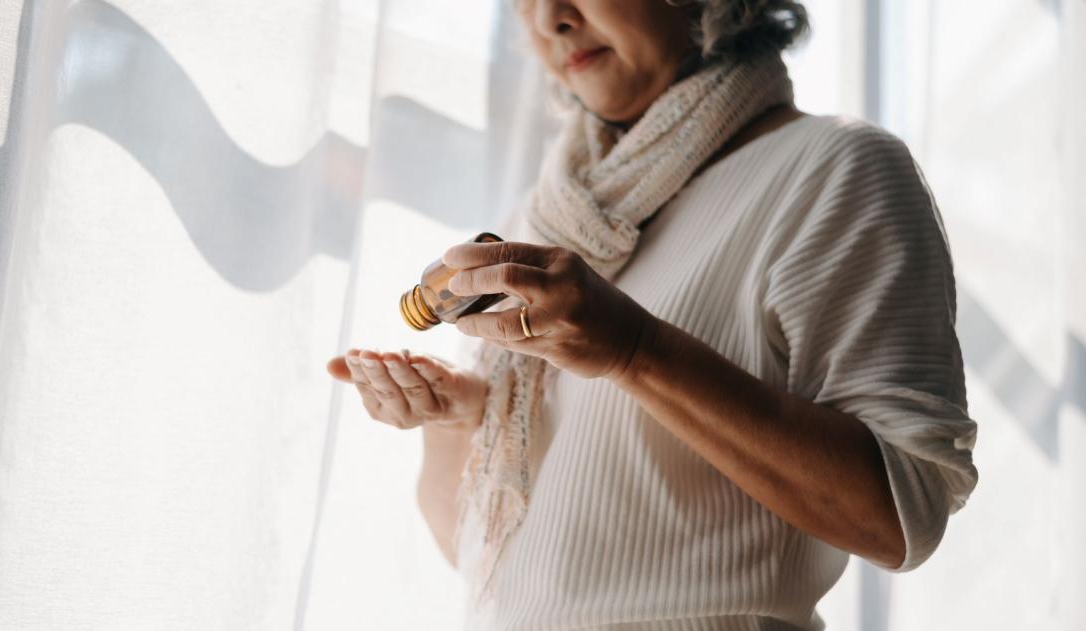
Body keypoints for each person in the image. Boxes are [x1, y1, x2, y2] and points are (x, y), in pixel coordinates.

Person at [326, 1, 978, 629]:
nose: (551, 18)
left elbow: (898, 516)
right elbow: (489, 574)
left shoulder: (834, 168)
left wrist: (635, 351)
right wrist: (459, 421)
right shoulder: (549, 212)